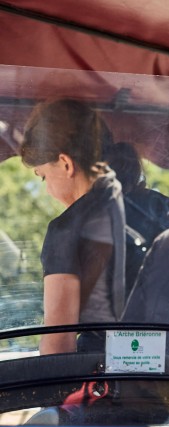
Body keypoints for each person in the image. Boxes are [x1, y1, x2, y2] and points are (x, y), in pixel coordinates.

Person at [20, 98, 126, 354]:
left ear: (66, 164)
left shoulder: (67, 230)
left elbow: (58, 348)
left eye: (44, 176)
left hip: (110, 387)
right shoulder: (166, 211)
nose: (47, 190)